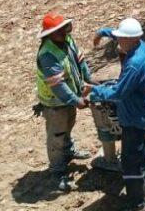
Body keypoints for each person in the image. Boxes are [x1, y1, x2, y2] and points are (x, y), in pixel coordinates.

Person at [86, 18, 145, 210]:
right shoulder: (140, 45)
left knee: (131, 162)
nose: (117, 41)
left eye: (120, 38)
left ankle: (136, 204)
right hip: (142, 112)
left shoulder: (135, 64)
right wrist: (103, 32)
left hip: (133, 118)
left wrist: (94, 91)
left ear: (130, 39)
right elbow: (121, 35)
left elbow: (119, 93)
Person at [34, 12, 93, 191]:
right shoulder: (47, 55)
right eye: (58, 30)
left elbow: (80, 61)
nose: (63, 32)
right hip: (55, 103)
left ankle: (68, 151)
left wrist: (89, 80)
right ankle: (57, 169)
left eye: (63, 29)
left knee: (68, 125)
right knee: (57, 134)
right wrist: (76, 100)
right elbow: (57, 85)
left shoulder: (68, 40)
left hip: (68, 98)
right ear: (49, 34)